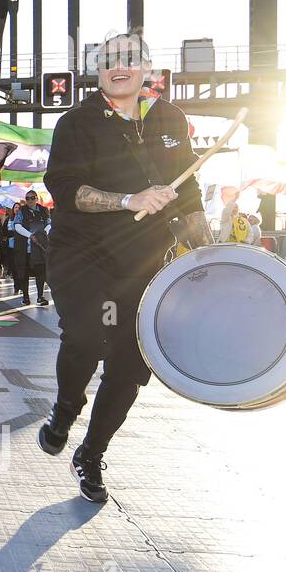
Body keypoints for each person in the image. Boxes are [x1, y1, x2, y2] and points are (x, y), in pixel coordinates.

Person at [38, 32, 211, 502]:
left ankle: (91, 454)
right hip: (82, 252)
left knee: (133, 362)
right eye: (109, 60)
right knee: (88, 336)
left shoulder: (169, 118)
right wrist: (127, 200)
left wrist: (207, 248)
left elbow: (191, 191)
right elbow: (67, 188)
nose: (119, 66)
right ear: (97, 70)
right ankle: (67, 406)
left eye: (129, 59)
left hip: (143, 258)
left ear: (147, 68)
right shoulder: (77, 122)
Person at [11, 190, 51, 305]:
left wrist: (43, 234)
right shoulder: (21, 211)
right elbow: (17, 225)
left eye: (32, 198)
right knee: (24, 272)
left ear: (36, 198)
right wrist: (30, 235)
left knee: (41, 272)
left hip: (39, 247)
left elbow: (49, 224)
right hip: (25, 248)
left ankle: (40, 296)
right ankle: (25, 296)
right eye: (27, 198)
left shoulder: (44, 210)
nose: (30, 200)